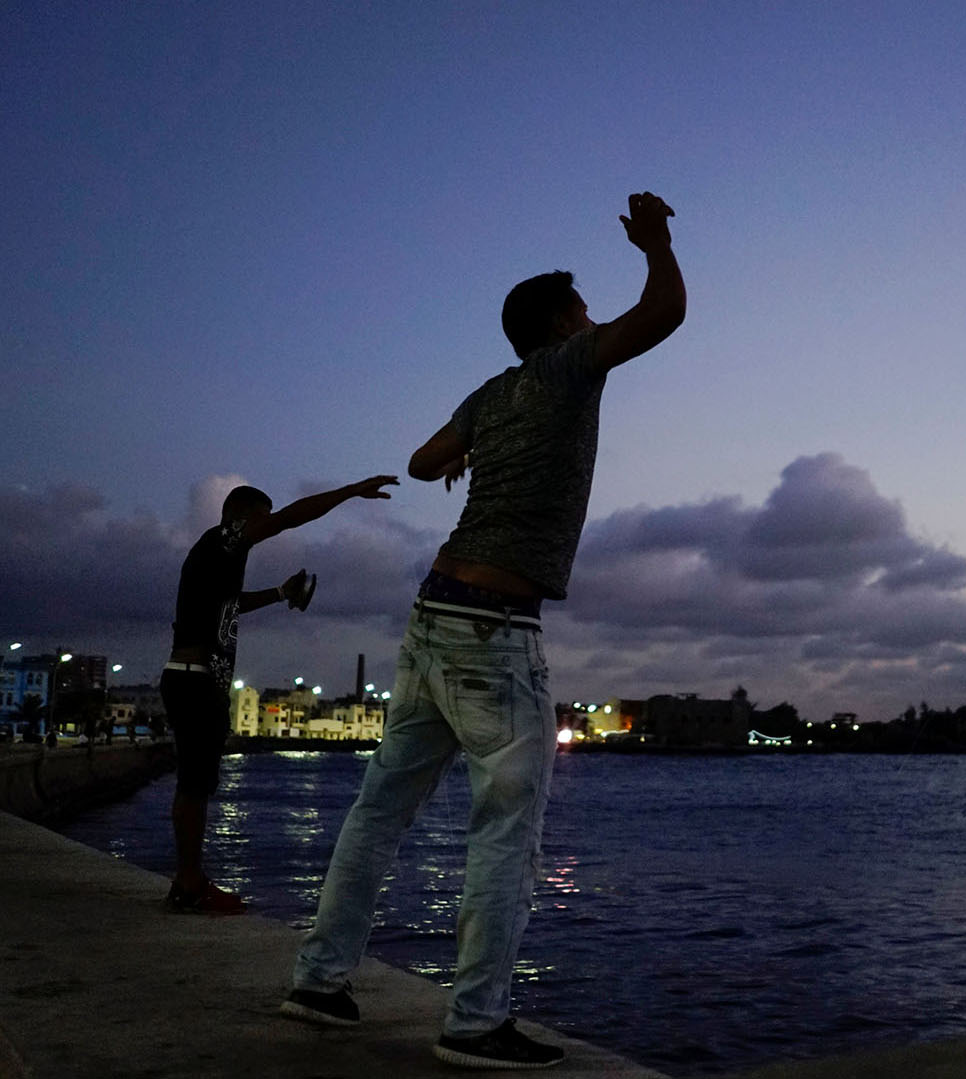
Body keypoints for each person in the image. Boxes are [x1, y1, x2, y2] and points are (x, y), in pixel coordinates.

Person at [282, 192, 686, 1070]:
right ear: (562, 322)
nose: (591, 319)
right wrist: (655, 244)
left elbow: (425, 458)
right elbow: (664, 314)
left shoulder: (491, 391)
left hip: (433, 616)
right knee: (506, 828)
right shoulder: (569, 366)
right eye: (581, 310)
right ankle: (474, 1020)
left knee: (380, 808)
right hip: (495, 632)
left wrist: (463, 452)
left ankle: (318, 977)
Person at [161, 475, 397, 915]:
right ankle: (189, 883)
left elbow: (230, 604)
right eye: (263, 520)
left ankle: (189, 879)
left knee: (196, 784)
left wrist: (279, 594)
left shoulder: (215, 558)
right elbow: (292, 517)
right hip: (194, 680)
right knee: (194, 787)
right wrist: (350, 492)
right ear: (244, 516)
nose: (268, 529)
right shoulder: (224, 538)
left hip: (192, 678)